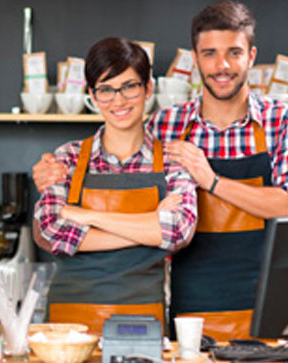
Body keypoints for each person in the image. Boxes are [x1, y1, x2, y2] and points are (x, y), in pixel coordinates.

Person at [32, 1, 288, 340]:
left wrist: (210, 180)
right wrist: (48, 173)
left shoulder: (282, 120)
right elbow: (117, 142)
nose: (221, 65)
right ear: (194, 59)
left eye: (234, 52)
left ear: (251, 56)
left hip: (270, 301)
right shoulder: (165, 125)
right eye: (209, 53)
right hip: (189, 307)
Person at [33, 37, 198, 334]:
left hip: (142, 321)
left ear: (148, 89)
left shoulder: (173, 162)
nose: (118, 101)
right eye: (106, 90)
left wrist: (89, 216)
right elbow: (51, 231)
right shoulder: (67, 158)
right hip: (67, 324)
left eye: (129, 86)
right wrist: (148, 228)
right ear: (93, 96)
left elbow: (177, 231)